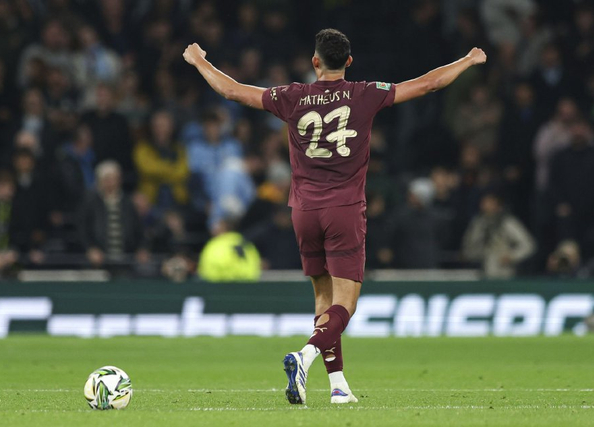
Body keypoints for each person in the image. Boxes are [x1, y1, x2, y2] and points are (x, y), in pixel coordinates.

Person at [183, 29, 486, 404]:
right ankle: (305, 356)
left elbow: (232, 90)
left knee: (323, 301)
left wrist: (200, 61)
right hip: (344, 209)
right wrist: (468, 60)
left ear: (315, 61)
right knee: (346, 304)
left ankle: (339, 386)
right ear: (349, 61)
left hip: (303, 211)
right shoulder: (365, 93)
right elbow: (428, 84)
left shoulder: (292, 96)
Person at [462, 192, 536, 279]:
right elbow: (469, 245)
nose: (486, 206)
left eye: (490, 203)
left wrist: (512, 256)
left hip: (504, 270)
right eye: (484, 203)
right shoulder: (478, 223)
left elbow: (528, 245)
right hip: (481, 269)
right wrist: (469, 255)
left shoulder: (507, 222)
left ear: (498, 205)